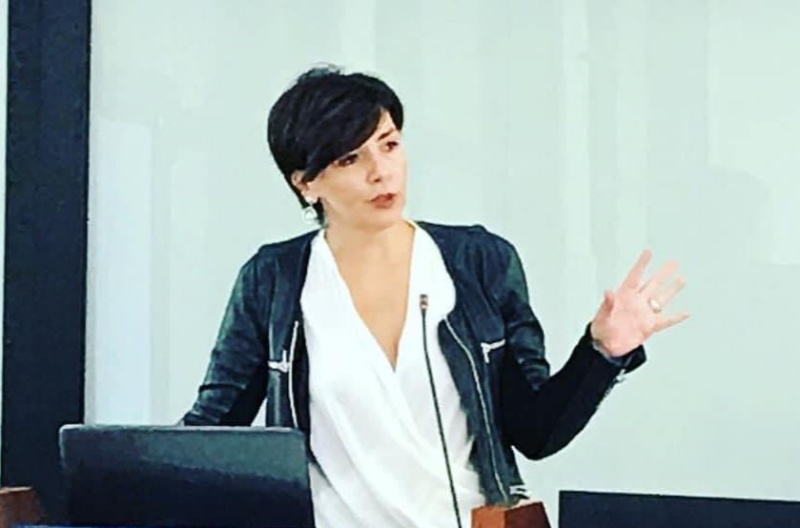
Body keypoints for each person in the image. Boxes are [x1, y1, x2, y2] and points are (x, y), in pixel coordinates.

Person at [181, 66, 688, 528]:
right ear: (307, 183)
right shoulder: (273, 279)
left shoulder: (479, 262)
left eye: (389, 145)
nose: (381, 171)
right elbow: (213, 429)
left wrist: (603, 352)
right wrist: (138, 477)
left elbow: (536, 432)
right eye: (350, 158)